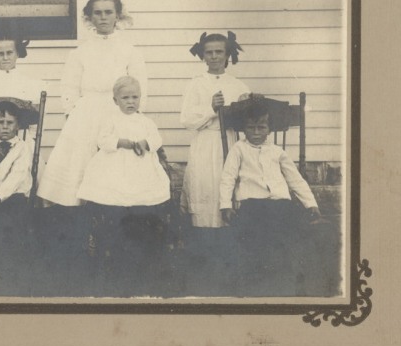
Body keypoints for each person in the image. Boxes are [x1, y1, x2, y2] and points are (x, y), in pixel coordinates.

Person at [37, 0, 148, 207]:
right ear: (90, 17)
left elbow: (139, 85)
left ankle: (113, 208)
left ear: (118, 16)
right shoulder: (80, 52)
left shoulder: (130, 51)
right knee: (80, 160)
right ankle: (82, 210)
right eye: (98, 13)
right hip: (86, 112)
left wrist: (134, 116)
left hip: (119, 111)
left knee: (116, 161)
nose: (103, 17)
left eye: (109, 12)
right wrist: (72, 112)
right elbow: (69, 85)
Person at [219, 100, 323, 291]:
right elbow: (228, 178)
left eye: (261, 127)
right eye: (251, 128)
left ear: (269, 128)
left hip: (281, 204)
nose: (256, 133)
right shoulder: (238, 150)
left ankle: (291, 277)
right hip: (253, 205)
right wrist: (225, 205)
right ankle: (257, 278)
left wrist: (310, 204)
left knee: (294, 235)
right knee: (254, 239)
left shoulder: (277, 152)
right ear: (244, 129)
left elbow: (295, 179)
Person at [180, 31, 251, 228]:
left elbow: (248, 122)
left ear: (228, 55)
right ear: (202, 55)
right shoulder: (196, 84)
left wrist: (246, 104)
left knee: (227, 182)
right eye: (209, 52)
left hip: (230, 141)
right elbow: (186, 119)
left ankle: (229, 230)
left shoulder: (237, 85)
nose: (214, 57)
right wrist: (210, 109)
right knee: (205, 185)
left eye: (219, 52)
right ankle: (204, 232)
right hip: (205, 142)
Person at [77, 76, 170, 207]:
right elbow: (102, 140)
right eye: (125, 98)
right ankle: (115, 208)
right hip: (115, 164)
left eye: (135, 97)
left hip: (141, 165)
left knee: (142, 191)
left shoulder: (145, 122)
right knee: (115, 190)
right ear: (115, 100)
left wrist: (146, 143)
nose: (130, 102)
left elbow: (156, 139)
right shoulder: (111, 120)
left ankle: (139, 209)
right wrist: (119, 142)